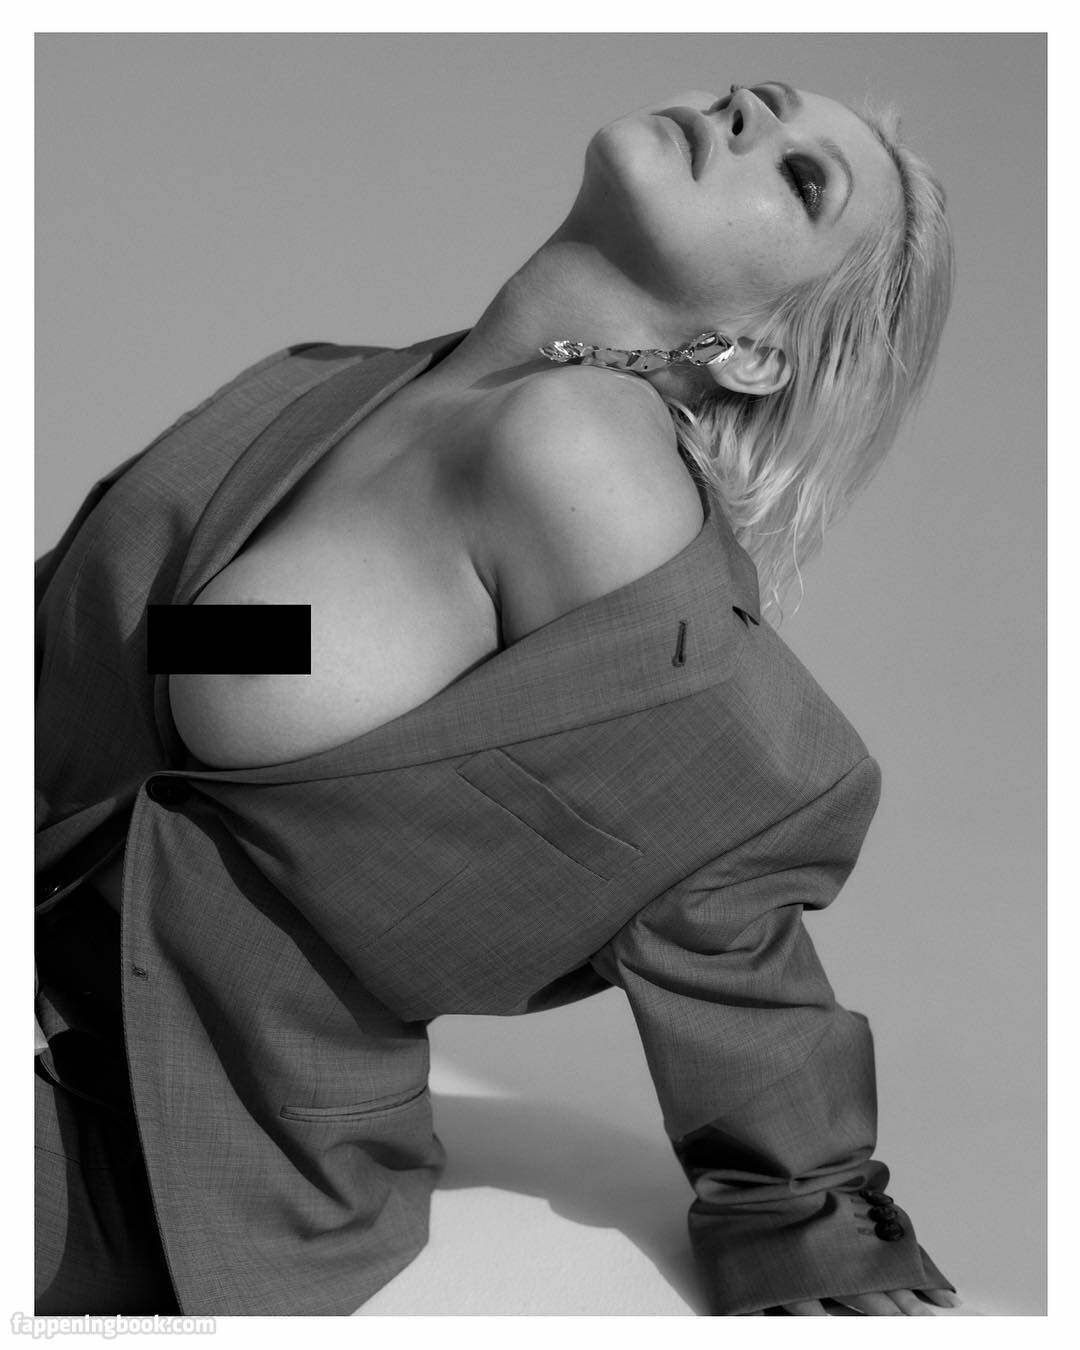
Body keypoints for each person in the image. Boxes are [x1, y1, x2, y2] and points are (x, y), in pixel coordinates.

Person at [35, 81, 958, 1316]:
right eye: (760, 100)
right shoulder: (345, 384)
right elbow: (173, 651)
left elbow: (725, 836)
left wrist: (808, 1206)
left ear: (751, 351)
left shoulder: (581, 450)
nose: (749, 116)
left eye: (803, 181)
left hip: (147, 1126)